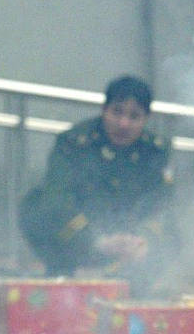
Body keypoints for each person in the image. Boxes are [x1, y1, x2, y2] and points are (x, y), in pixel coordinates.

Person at [20, 76, 175, 293]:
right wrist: (95, 241)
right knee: (36, 207)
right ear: (104, 110)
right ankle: (62, 277)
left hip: (129, 241)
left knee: (176, 234)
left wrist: (143, 241)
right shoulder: (75, 142)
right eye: (117, 112)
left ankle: (141, 293)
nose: (124, 124)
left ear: (146, 119)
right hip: (77, 239)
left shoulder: (155, 151)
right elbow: (57, 198)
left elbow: (162, 204)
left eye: (134, 116)